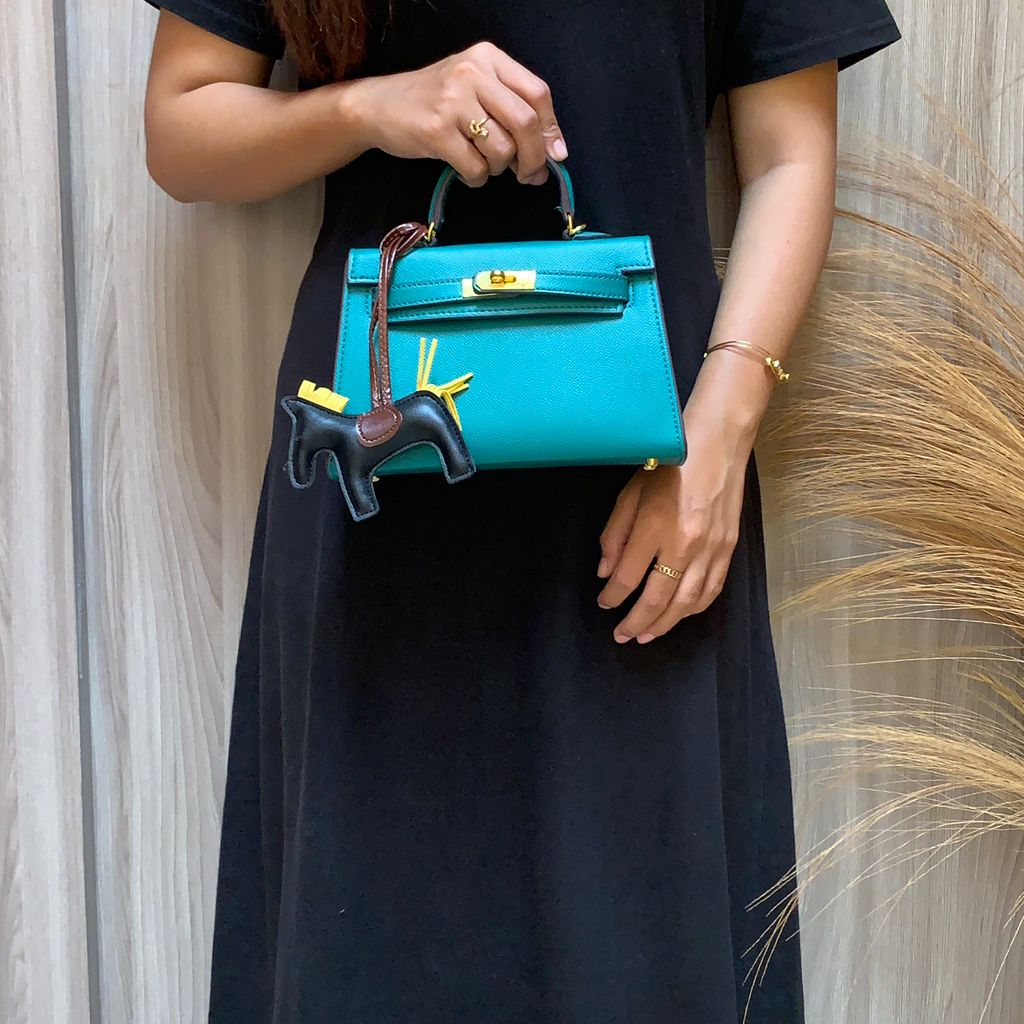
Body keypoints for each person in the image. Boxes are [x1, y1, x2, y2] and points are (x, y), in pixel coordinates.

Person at [140, 2, 901, 1021]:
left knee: (642, 953)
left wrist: (718, 440)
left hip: (647, 485)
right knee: (370, 957)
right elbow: (181, 128)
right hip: (379, 494)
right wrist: (373, 107)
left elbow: (789, 158)